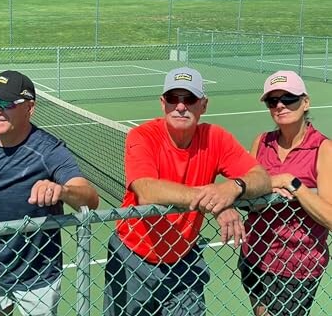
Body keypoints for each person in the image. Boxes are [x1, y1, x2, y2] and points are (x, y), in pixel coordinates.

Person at [103, 66, 272, 316]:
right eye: (173, 98)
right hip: (133, 258)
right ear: (163, 103)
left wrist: (233, 188)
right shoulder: (143, 136)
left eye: (189, 99)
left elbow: (262, 179)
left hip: (184, 260)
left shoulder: (216, 137)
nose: (181, 106)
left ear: (203, 105)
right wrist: (215, 201)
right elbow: (146, 189)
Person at [0, 70, 99, 316]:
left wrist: (61, 190)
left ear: (29, 107)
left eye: (6, 103)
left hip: (38, 275)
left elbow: (90, 198)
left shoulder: (50, 150)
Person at [239, 70, 332, 316]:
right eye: (273, 101)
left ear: (305, 102)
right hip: (254, 258)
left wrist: (294, 184)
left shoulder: (323, 149)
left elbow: (330, 216)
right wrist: (271, 184)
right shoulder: (261, 142)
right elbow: (244, 189)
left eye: (288, 98)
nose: (280, 105)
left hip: (297, 266)